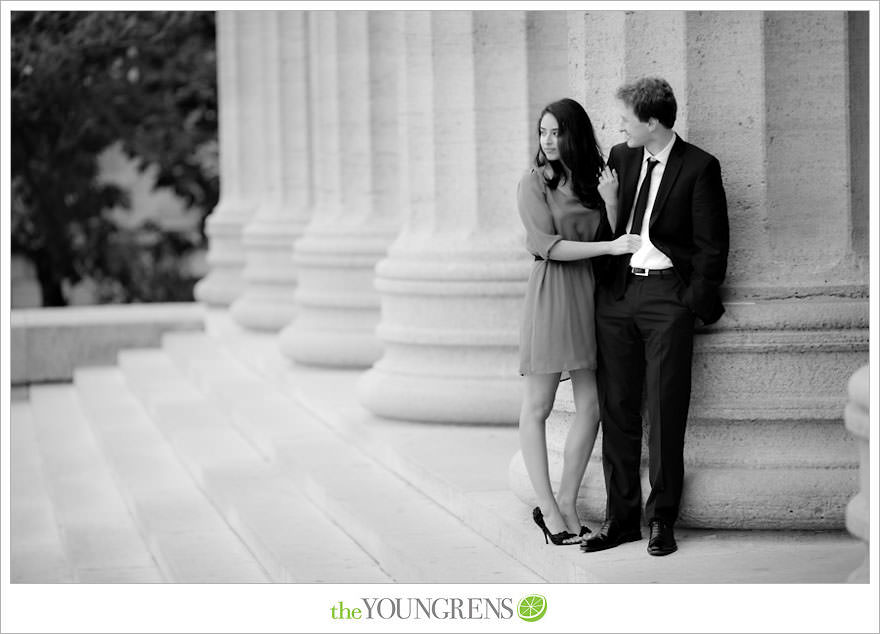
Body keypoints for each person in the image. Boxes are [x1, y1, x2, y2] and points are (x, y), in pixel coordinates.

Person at [581, 77, 729, 556]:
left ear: (652, 122)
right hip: (619, 295)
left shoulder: (700, 167)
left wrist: (691, 302)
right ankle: (620, 519)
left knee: (666, 411)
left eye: (626, 118)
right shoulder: (622, 159)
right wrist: (608, 203)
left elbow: (712, 247)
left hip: (668, 297)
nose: (618, 125)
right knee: (617, 409)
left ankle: (662, 519)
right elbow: (609, 228)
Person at [517, 98, 641, 546]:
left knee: (591, 406)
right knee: (538, 406)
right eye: (542, 133)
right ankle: (547, 509)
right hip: (553, 293)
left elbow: (614, 236)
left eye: (556, 132)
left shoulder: (594, 181)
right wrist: (608, 248)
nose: (548, 141)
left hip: (591, 295)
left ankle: (568, 502)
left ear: (574, 134)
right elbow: (547, 244)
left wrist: (611, 202)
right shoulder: (533, 184)